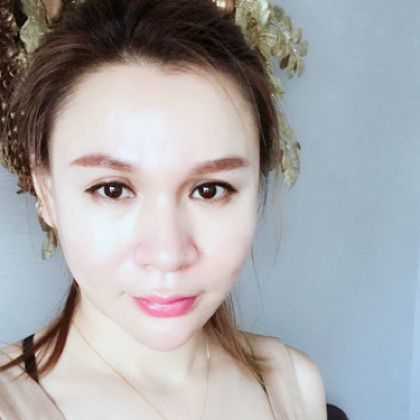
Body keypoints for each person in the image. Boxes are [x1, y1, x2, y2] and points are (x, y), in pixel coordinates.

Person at [0, 0, 327, 418]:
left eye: (209, 190)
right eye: (113, 189)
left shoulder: (295, 385)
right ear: (46, 192)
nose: (168, 255)